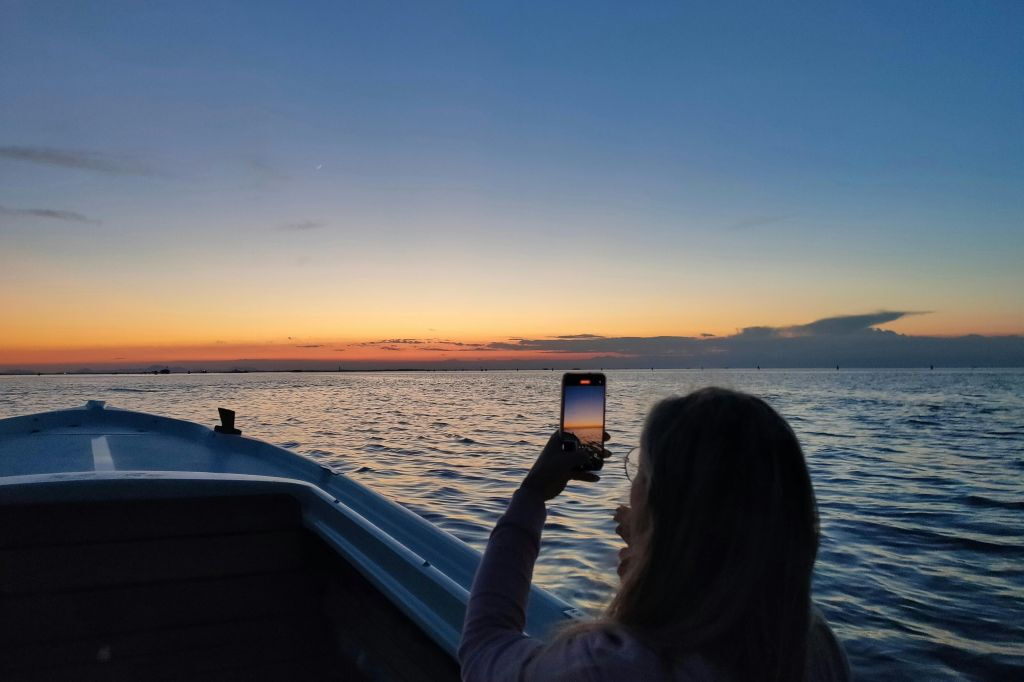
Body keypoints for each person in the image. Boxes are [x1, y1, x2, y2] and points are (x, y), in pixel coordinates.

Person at [458, 387, 851, 681]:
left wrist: (532, 493)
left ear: (660, 502)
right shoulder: (814, 645)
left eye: (640, 471)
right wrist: (652, 561)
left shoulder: (610, 665)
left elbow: (483, 649)